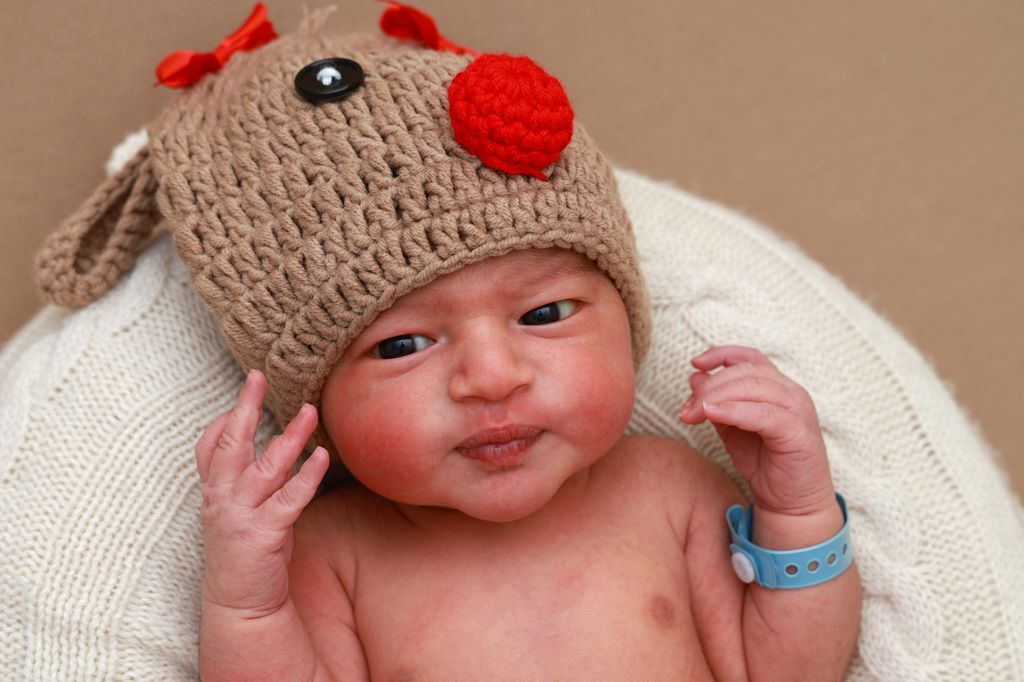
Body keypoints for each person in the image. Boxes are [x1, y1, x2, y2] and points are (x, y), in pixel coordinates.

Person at [34, 4, 861, 679]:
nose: (491, 377)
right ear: (315, 405)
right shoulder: (335, 554)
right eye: (402, 346)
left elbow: (788, 671)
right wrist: (244, 597)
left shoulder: (666, 491)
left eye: (545, 313)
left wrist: (797, 511)